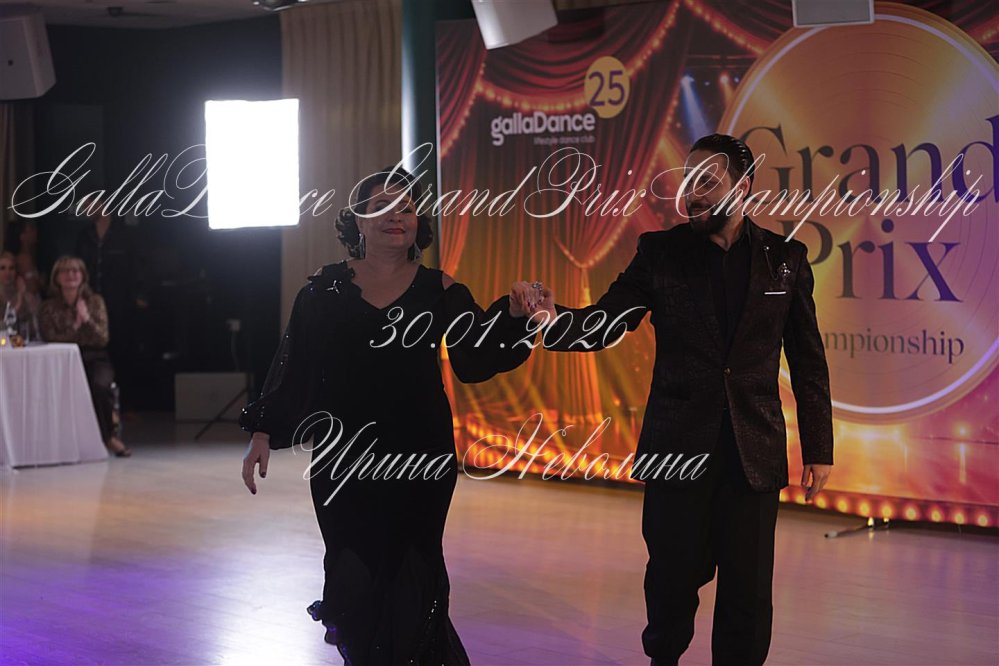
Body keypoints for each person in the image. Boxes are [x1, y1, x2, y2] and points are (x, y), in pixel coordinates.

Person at [531, 134, 834, 665]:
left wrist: (819, 447)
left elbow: (808, 360)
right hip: (677, 448)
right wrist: (552, 322)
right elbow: (609, 320)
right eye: (687, 181)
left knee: (747, 594)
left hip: (753, 452)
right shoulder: (661, 253)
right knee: (670, 582)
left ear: (743, 186)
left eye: (707, 182)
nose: (691, 193)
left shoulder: (785, 260)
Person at [239, 168, 541, 665]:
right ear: (357, 221)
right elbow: (295, 367)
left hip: (420, 456)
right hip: (344, 460)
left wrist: (513, 315)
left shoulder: (440, 289)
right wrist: (263, 431)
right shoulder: (323, 291)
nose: (394, 217)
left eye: (405, 207)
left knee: (412, 580)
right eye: (379, 207)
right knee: (353, 578)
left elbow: (474, 357)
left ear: (417, 221)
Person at [38, 256, 131, 458]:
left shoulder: (95, 302)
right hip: (62, 360)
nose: (70, 275)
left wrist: (87, 318)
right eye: (65, 271)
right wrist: (76, 326)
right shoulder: (48, 307)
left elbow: (102, 338)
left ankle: (109, 437)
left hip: (95, 356)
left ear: (83, 276)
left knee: (99, 386)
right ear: (56, 278)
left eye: (75, 271)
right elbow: (51, 337)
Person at [0, 251, 40, 332]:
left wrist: (22, 294)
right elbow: (3, 327)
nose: (7, 272)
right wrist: (19, 301)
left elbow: (36, 323)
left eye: (11, 268)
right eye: (2, 268)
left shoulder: (26, 296)